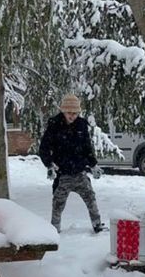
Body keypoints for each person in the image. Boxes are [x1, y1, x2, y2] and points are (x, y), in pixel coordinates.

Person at [39, 93, 104, 233]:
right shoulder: (54, 125)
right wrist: (49, 165)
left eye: (75, 113)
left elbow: (87, 147)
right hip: (63, 175)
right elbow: (44, 148)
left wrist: (93, 164)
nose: (72, 116)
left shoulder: (81, 125)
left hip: (80, 172)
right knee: (58, 203)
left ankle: (97, 224)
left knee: (91, 198)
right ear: (63, 111)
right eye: (69, 112)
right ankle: (54, 230)